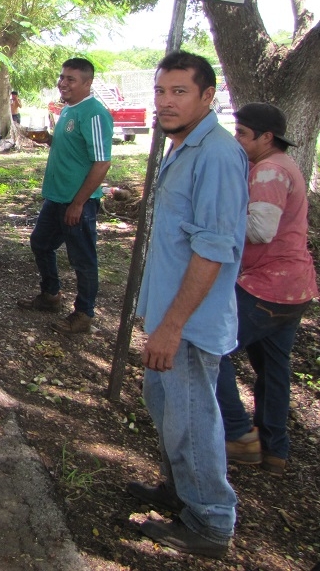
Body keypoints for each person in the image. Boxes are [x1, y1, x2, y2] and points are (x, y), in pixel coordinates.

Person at [126, 52, 248, 559]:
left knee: (194, 418)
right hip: (168, 317)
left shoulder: (217, 153)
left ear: (206, 96)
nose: (166, 102)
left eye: (179, 92)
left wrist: (173, 325)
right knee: (170, 410)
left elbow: (214, 249)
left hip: (190, 325)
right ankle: (180, 491)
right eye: (160, 91)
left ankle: (211, 522)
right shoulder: (183, 146)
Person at [215, 103, 317, 476]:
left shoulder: (270, 171)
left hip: (266, 287)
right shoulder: (286, 166)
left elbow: (259, 229)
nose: (238, 140)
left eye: (243, 134)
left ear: (266, 137)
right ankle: (275, 449)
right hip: (295, 287)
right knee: (274, 367)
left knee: (212, 348)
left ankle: (240, 435)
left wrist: (219, 216)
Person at [16, 58, 113, 334]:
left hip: (76, 202)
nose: (63, 83)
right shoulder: (69, 110)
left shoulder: (94, 113)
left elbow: (102, 162)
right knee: (41, 243)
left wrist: (79, 203)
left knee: (83, 258)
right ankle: (51, 296)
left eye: (71, 79)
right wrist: (48, 139)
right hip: (56, 198)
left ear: (87, 82)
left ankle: (84, 313)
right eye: (62, 77)